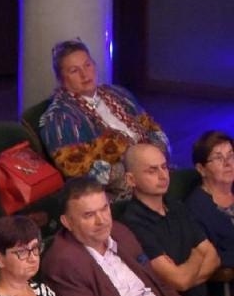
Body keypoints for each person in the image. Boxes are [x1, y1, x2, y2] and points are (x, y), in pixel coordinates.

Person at [41, 176, 209, 296]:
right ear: (67, 222)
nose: (102, 221)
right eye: (89, 215)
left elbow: (158, 284)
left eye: (104, 209)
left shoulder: (120, 232)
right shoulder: (63, 262)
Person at [38, 39, 168, 198]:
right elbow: (80, 173)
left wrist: (158, 157)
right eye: (74, 70)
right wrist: (137, 172)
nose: (84, 74)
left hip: (156, 168)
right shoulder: (60, 118)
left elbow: (154, 129)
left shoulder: (118, 94)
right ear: (61, 80)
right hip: (117, 191)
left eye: (87, 65)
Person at [119, 141, 223, 296]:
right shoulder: (132, 224)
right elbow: (179, 281)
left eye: (164, 167)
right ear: (131, 180)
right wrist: (197, 254)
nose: (163, 176)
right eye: (152, 171)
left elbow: (214, 258)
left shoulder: (177, 207)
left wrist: (186, 272)